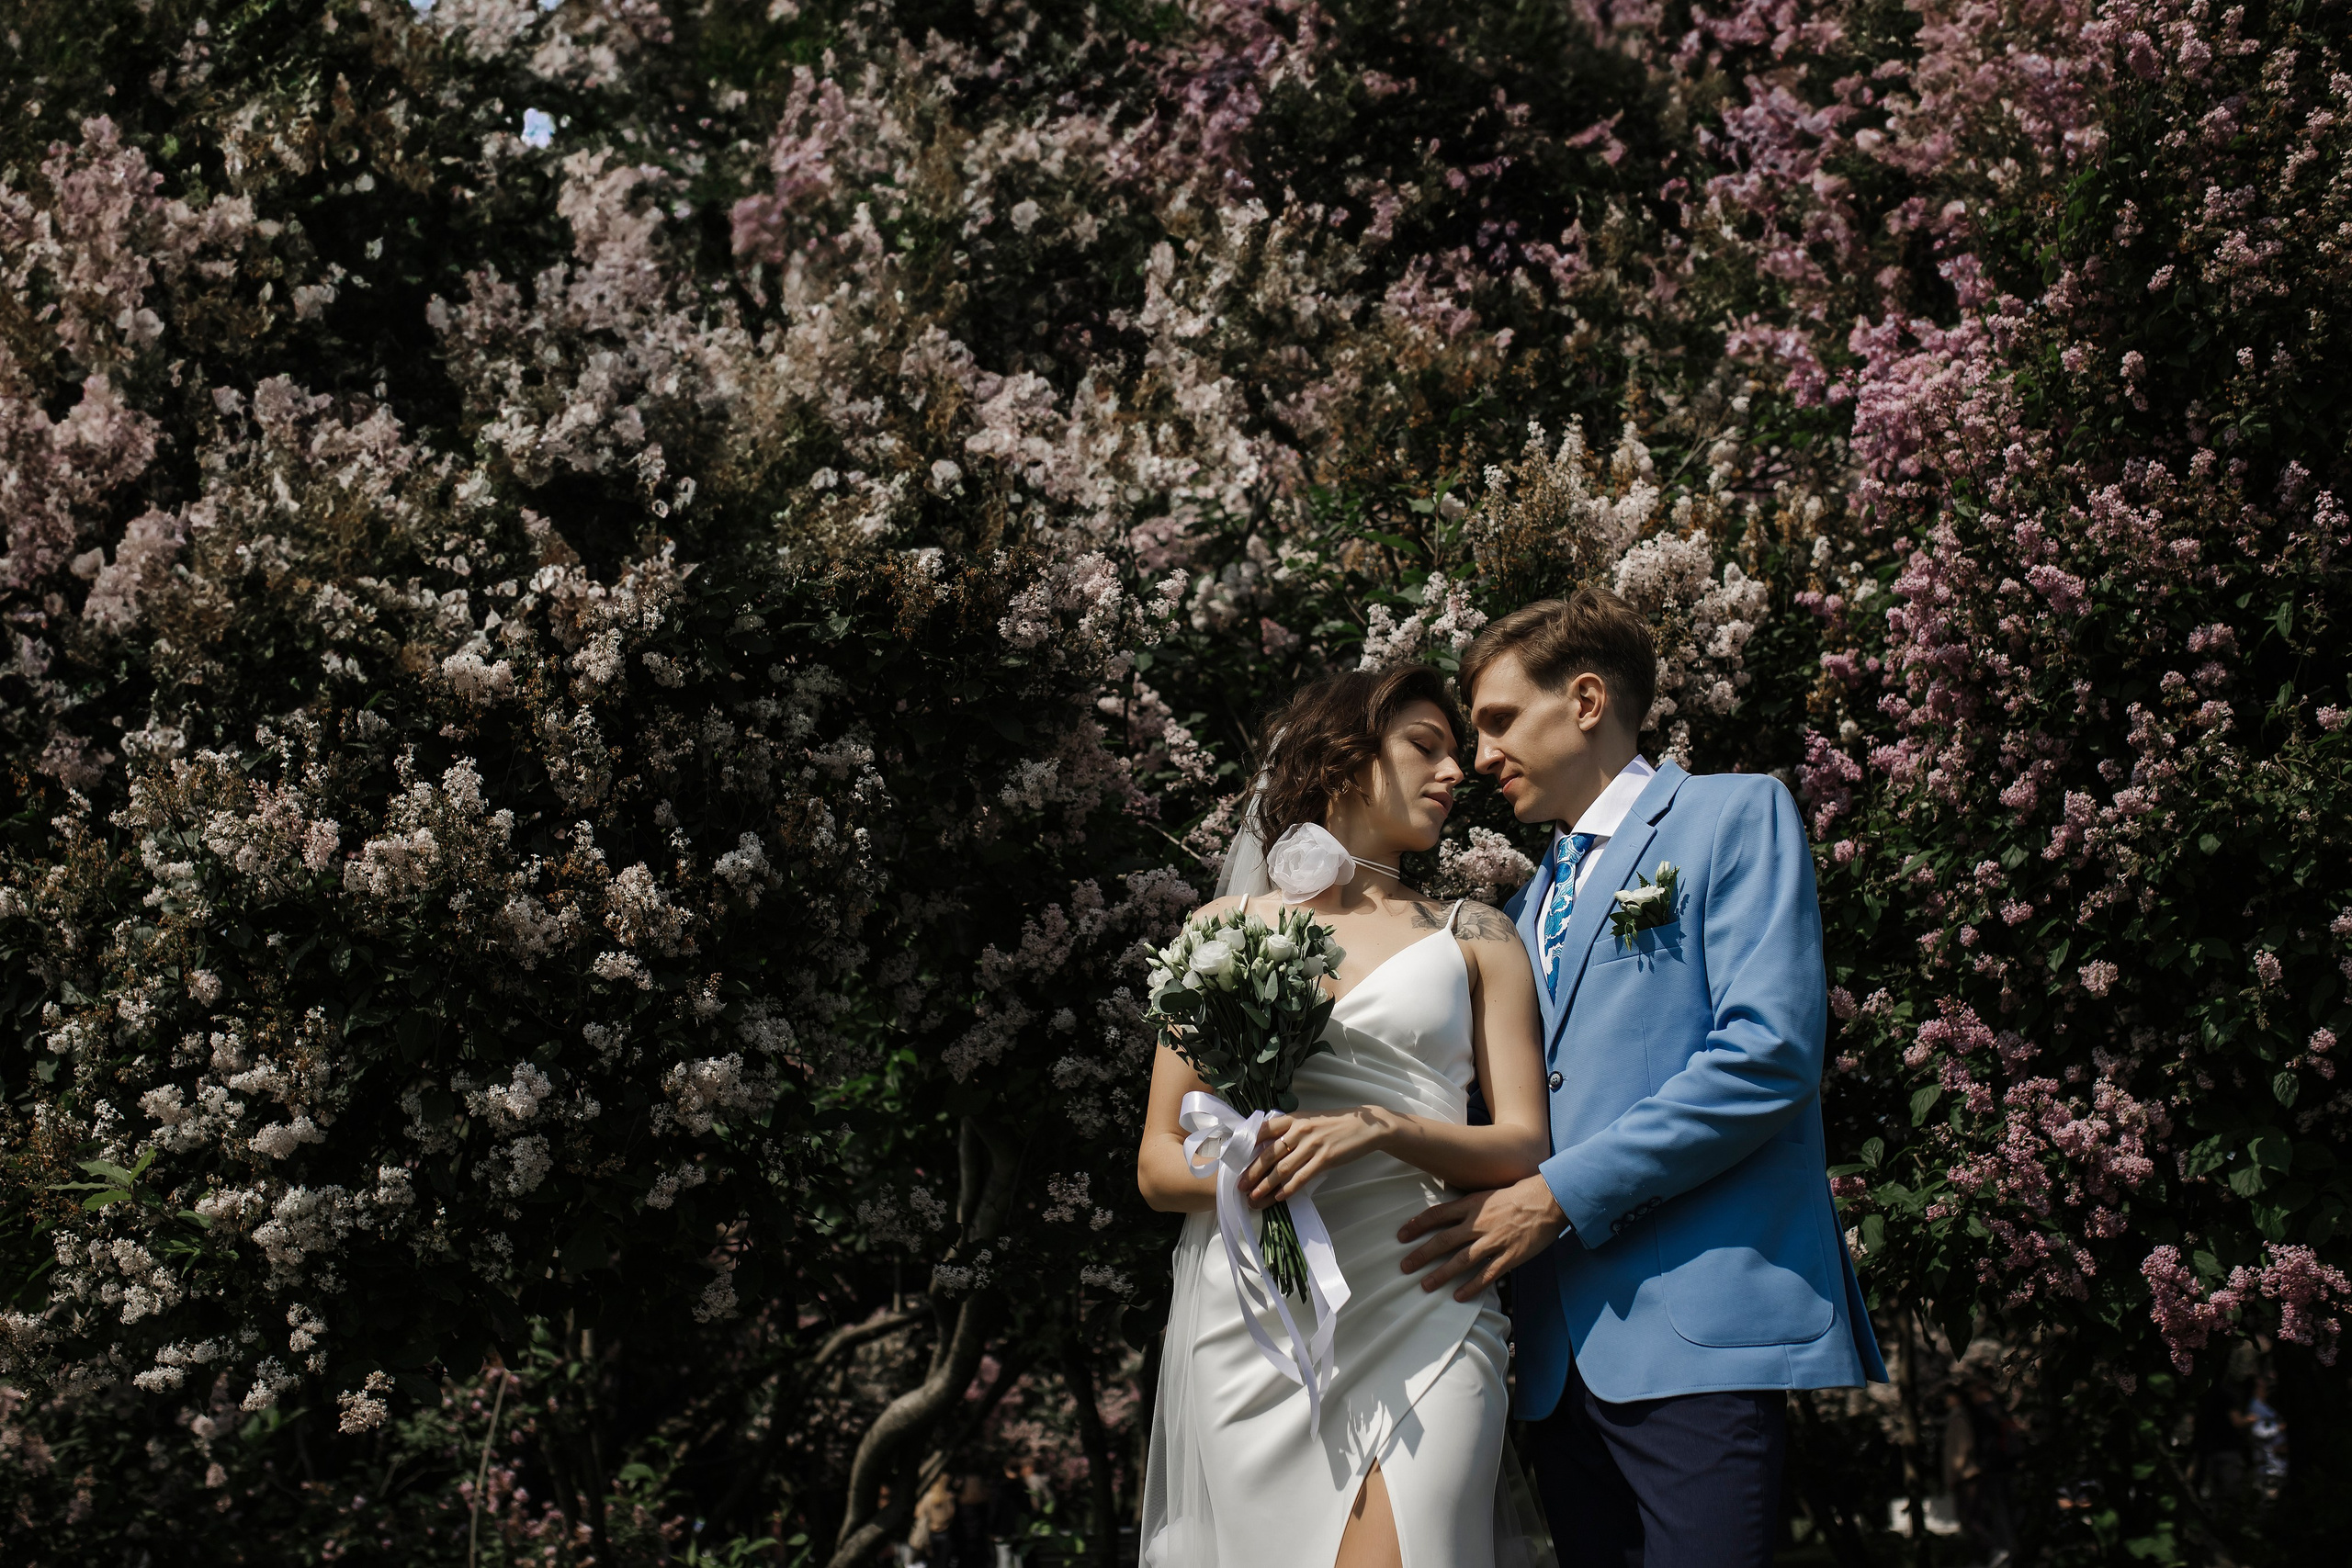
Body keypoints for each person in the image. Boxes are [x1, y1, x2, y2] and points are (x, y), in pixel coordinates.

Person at [1396, 588, 1887, 1566]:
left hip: (1692, 1331)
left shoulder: (1731, 814)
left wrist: (1557, 1196)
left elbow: (1765, 1055)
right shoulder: (1528, 900)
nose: (1480, 757)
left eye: (1498, 721)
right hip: (1549, 1351)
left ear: (1584, 700)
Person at [1136, 664, 1555, 1567]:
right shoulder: (1222, 929)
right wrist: (1250, 1162)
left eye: (1455, 753)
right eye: (1424, 747)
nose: (1456, 772)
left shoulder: (1475, 934)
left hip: (1424, 1300)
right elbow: (1160, 1165)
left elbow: (1524, 1146)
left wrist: (1381, 1127)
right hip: (1259, 1322)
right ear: (1343, 757)